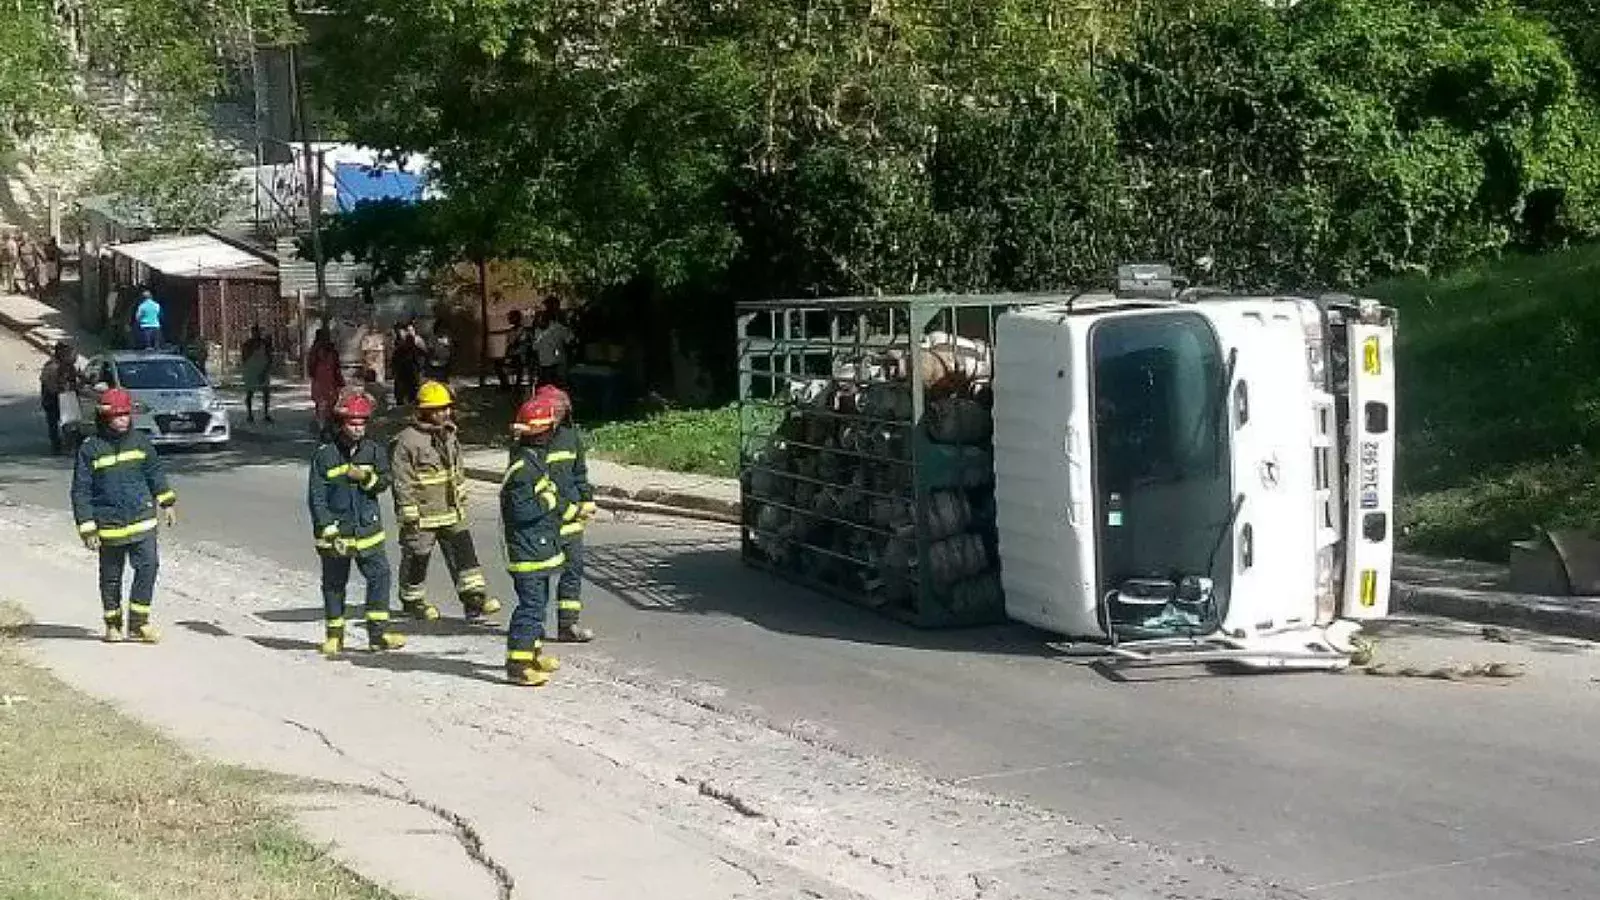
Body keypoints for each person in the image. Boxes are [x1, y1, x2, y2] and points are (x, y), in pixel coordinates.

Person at [70, 387, 178, 644]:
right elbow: (81, 491)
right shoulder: (90, 449)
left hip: (143, 521)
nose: (123, 420)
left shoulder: (140, 443)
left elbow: (155, 473)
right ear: (104, 417)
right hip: (109, 527)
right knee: (111, 577)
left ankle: (139, 623)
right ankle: (113, 624)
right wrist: (87, 529)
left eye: (126, 415)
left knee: (148, 568)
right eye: (117, 416)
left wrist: (167, 503)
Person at [390, 380, 502, 623]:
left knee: (464, 557)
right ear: (424, 411)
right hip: (422, 514)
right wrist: (408, 511)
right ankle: (413, 601)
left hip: (451, 509)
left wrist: (461, 491)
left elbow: (457, 467)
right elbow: (402, 480)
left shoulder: (449, 434)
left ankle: (474, 602)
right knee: (417, 559)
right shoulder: (407, 441)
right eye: (438, 409)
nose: (444, 413)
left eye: (447, 408)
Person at [307, 391, 405, 657]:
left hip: (367, 531)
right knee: (335, 584)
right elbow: (317, 496)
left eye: (362, 424)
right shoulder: (325, 455)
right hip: (337, 532)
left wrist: (365, 477)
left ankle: (378, 635)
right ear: (341, 423)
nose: (358, 429)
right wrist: (328, 529)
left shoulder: (374, 451)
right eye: (353, 423)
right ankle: (334, 636)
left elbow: (384, 482)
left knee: (380, 577)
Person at [501, 391, 569, 686]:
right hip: (527, 552)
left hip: (538, 547)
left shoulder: (532, 460)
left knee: (538, 605)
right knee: (530, 608)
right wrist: (550, 501)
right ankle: (518, 665)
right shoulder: (523, 470)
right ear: (543, 434)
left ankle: (532, 652)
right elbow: (522, 511)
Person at [535, 384, 597, 642]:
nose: (557, 415)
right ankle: (534, 626)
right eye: (554, 411)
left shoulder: (571, 436)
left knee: (573, 569)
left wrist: (587, 499)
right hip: (545, 519)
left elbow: (579, 472)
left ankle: (567, 625)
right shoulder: (534, 439)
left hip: (571, 518)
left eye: (561, 410)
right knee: (542, 575)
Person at [40, 342, 81, 455]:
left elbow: (77, 377)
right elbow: (48, 384)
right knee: (54, 424)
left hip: (67, 398)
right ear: (62, 353)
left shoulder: (69, 366)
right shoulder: (52, 367)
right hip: (52, 400)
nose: (74, 356)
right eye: (71, 353)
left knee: (69, 423)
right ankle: (57, 447)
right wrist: (63, 388)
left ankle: (69, 446)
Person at [307, 328, 344, 441]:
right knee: (327, 404)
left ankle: (324, 428)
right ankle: (326, 428)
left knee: (323, 405)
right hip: (327, 379)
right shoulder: (328, 350)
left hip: (322, 379)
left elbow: (310, 367)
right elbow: (336, 367)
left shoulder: (316, 350)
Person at [531, 297, 574, 388]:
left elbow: (535, 346)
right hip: (555, 362)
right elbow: (570, 341)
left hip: (545, 361)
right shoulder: (559, 325)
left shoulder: (541, 325)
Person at [241, 325, 275, 424]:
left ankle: (266, 413)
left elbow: (269, 358)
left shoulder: (264, 343)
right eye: (254, 332)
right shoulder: (247, 344)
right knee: (250, 393)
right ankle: (250, 414)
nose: (256, 334)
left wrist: (266, 370)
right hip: (251, 371)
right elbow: (244, 358)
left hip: (262, 369)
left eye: (257, 332)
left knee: (266, 392)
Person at [391, 321, 424, 407]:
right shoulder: (402, 349)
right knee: (404, 397)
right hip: (405, 377)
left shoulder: (413, 349)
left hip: (409, 377)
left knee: (409, 396)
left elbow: (423, 359)